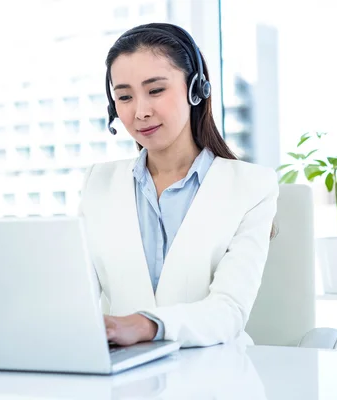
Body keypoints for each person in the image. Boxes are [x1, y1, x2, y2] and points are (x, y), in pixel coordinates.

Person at [77, 22, 279, 348]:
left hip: (216, 376)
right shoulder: (97, 184)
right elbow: (76, 298)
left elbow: (229, 311)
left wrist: (147, 326)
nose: (140, 111)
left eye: (156, 90)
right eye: (124, 96)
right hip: (126, 379)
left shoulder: (253, 186)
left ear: (196, 89)